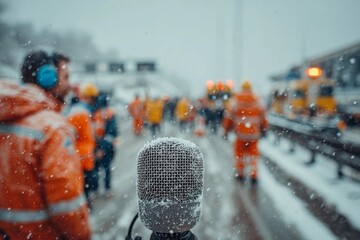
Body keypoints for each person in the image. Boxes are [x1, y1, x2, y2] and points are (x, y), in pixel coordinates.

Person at [0, 50, 92, 239]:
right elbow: (66, 202)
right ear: (48, 78)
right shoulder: (52, 128)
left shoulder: (7, 117)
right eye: (66, 77)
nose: (69, 84)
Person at [222, 80, 268, 184]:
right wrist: (264, 129)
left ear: (242, 88)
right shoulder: (258, 101)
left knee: (239, 154)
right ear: (250, 88)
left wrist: (226, 130)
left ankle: (240, 174)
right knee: (253, 155)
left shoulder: (235, 101)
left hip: (240, 135)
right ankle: (253, 175)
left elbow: (228, 117)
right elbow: (263, 117)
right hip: (254, 135)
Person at [63, 82, 98, 209]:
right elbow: (69, 135)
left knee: (85, 190)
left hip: (84, 158)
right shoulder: (80, 113)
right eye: (92, 98)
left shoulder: (83, 112)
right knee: (82, 191)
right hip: (80, 160)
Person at [92, 93, 119, 197]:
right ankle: (105, 189)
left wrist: (100, 148)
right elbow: (112, 132)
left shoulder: (93, 112)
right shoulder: (108, 113)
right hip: (105, 147)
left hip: (99, 147)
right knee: (106, 169)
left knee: (98, 170)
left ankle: (97, 190)